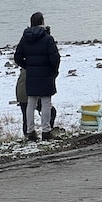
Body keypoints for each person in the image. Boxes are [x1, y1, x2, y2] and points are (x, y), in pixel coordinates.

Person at [13, 12, 60, 141]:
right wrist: (53, 71)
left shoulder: (25, 37)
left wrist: (28, 66)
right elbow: (55, 58)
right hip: (45, 74)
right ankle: (46, 131)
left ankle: (30, 132)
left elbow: (17, 57)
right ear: (42, 22)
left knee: (31, 103)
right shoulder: (47, 38)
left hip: (31, 74)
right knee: (46, 103)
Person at [15, 67, 57, 137]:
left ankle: (28, 134)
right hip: (31, 93)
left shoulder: (26, 65)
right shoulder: (37, 67)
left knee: (26, 117)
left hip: (21, 94)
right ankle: (47, 131)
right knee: (51, 111)